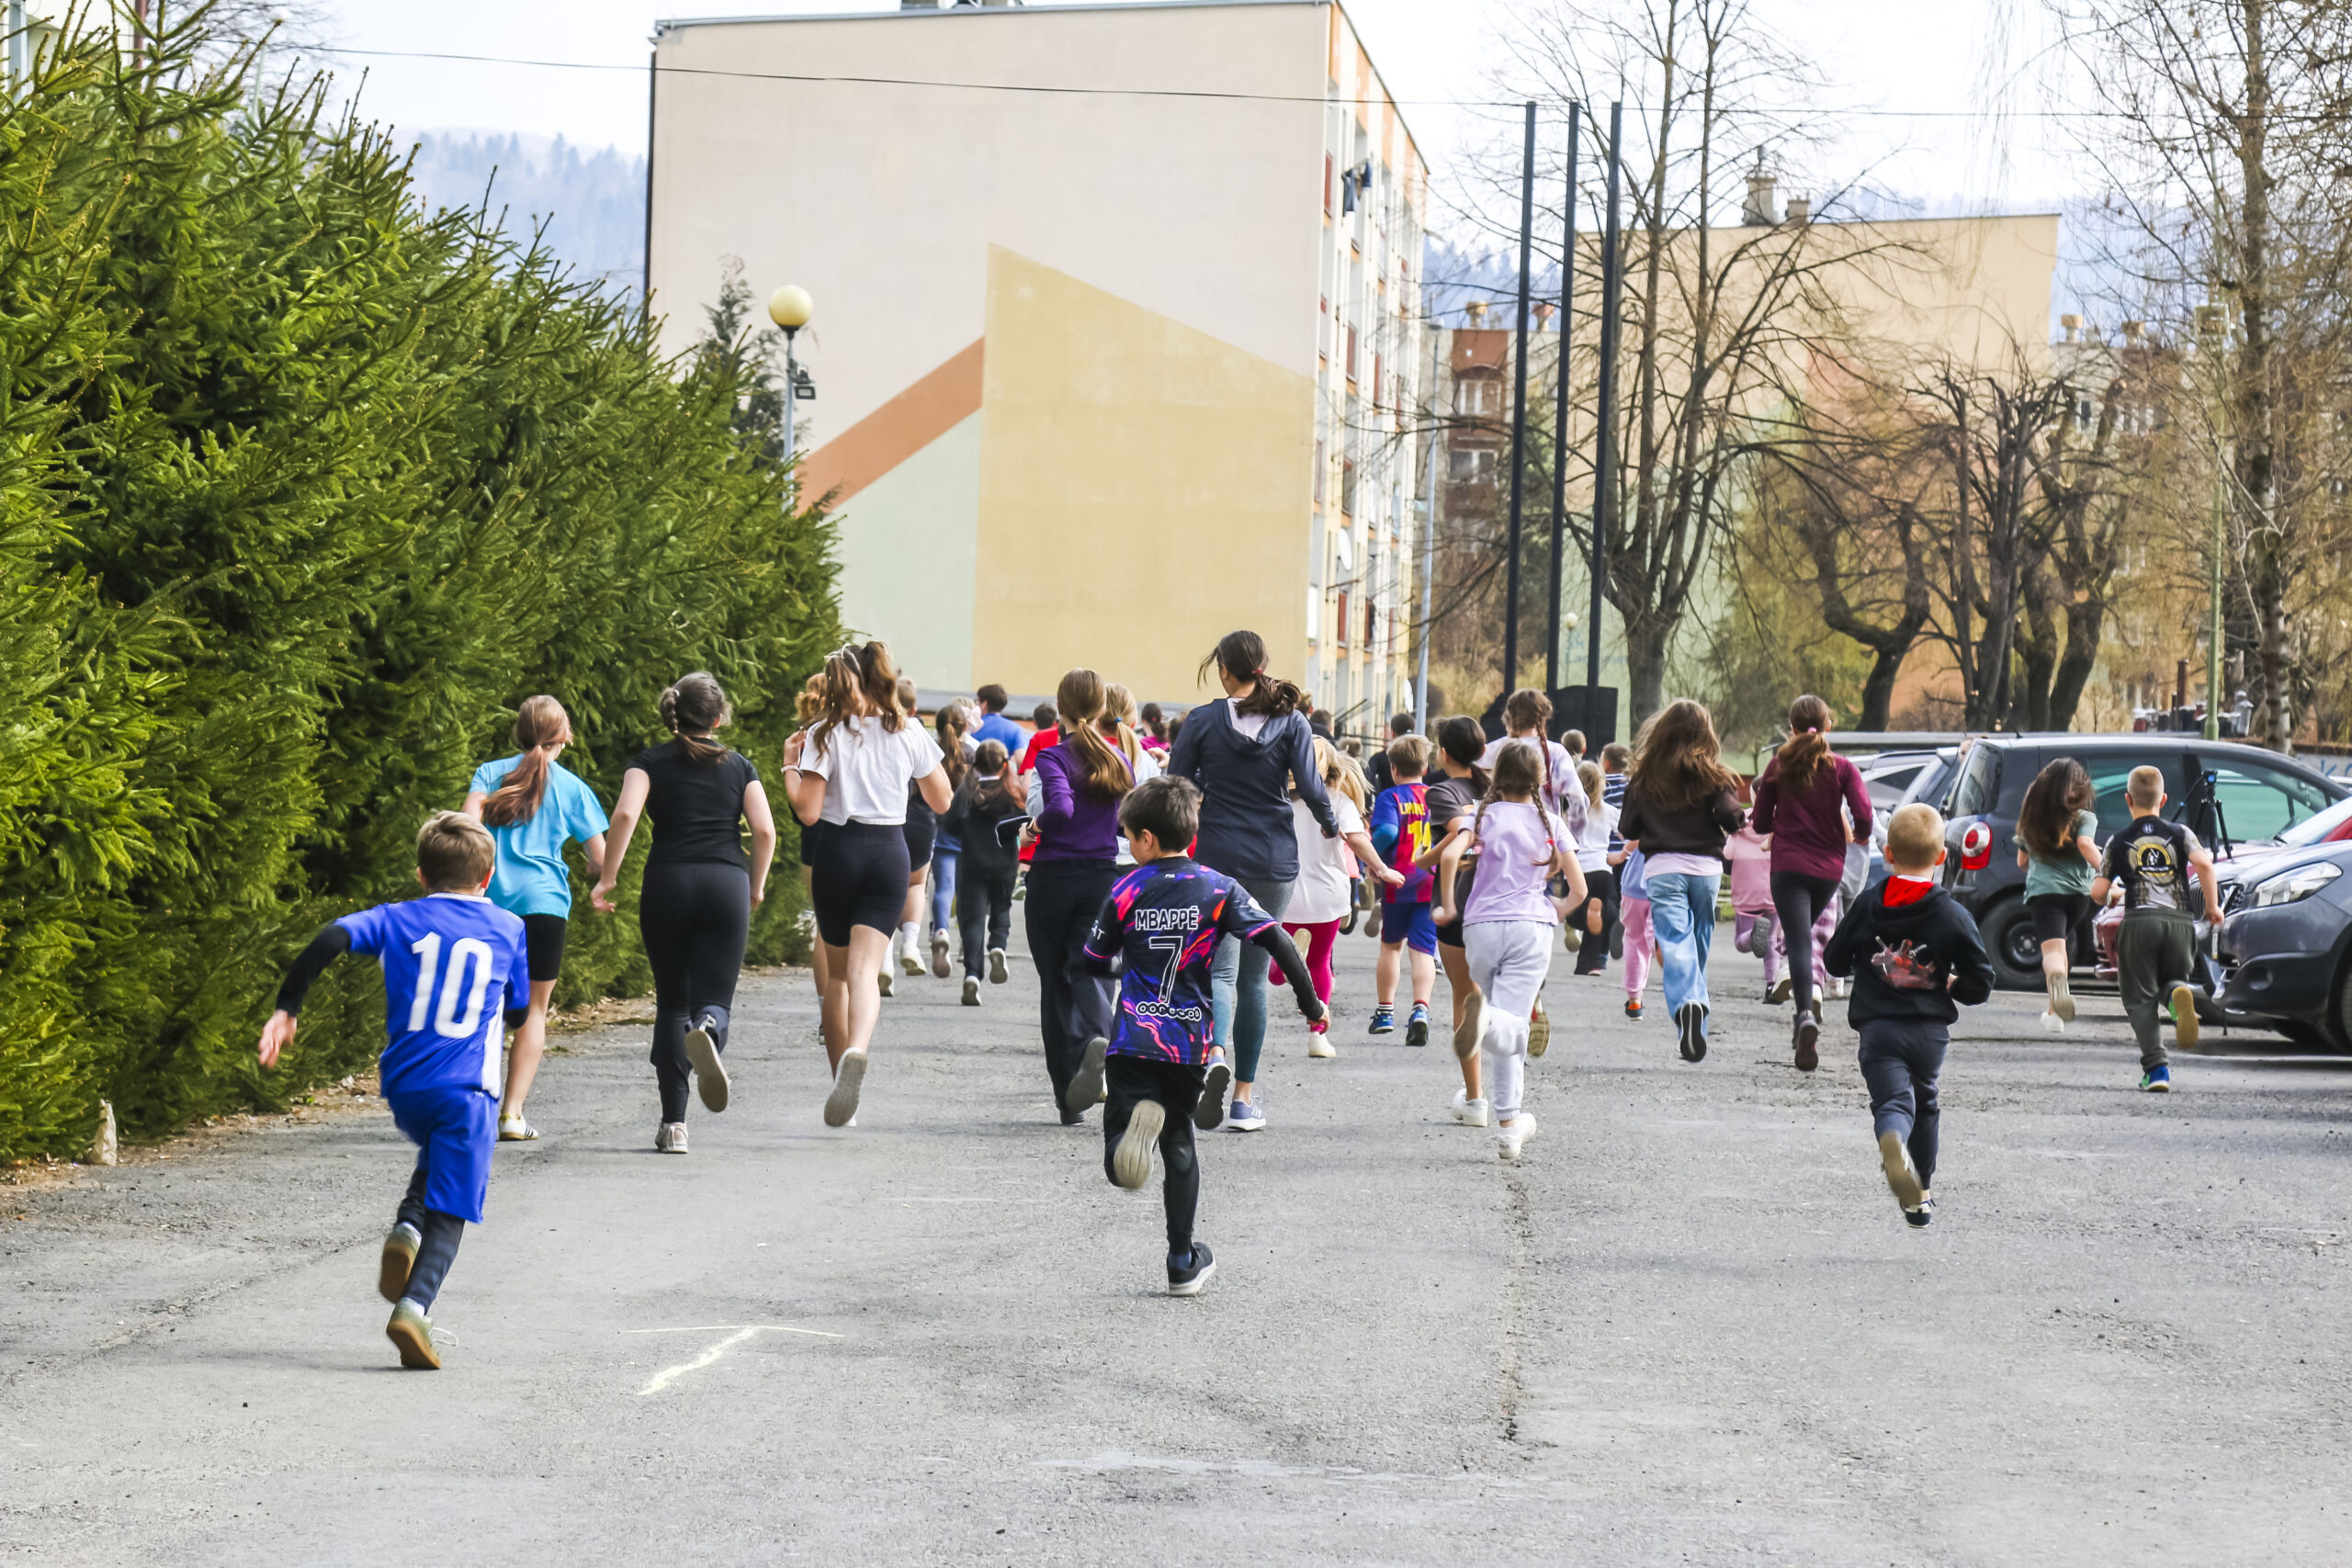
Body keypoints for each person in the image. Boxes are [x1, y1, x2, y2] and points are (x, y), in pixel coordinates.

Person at [258, 812, 527, 1368]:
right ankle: (415, 1308)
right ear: (487, 877)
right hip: (469, 1089)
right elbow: (521, 1010)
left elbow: (331, 937)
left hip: (406, 1087)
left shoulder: (395, 918)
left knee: (439, 1152)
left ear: (421, 875)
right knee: (452, 1208)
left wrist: (287, 1009)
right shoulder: (509, 927)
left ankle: (407, 1225)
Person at [1085, 777, 1326, 1296]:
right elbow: (1279, 941)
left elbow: (1094, 960)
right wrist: (1310, 1003)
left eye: (1128, 834)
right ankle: (1182, 1262)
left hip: (1132, 1037)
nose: (1126, 843)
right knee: (1180, 1145)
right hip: (1188, 1043)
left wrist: (1127, 964)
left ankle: (1124, 1148)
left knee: (1119, 1148)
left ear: (1147, 839)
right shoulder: (1219, 888)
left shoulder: (1126, 889)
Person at [592, 673, 776, 1153]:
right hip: (725, 883)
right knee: (714, 1000)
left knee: (672, 1004)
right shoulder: (740, 766)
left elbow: (626, 815)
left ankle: (674, 1125)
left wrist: (608, 877)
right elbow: (764, 831)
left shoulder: (648, 762)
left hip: (668, 882)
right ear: (718, 719)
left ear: (673, 715)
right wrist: (755, 886)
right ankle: (709, 1027)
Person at [1166, 630, 1339, 1134]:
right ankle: (1243, 1099)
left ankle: (1215, 1054)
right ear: (1263, 664)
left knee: (1219, 971)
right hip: (1273, 859)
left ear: (1223, 670)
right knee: (1254, 978)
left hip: (1217, 857)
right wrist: (1330, 824)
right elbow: (1311, 786)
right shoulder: (1292, 721)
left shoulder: (1201, 721)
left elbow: (1178, 784)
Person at [779, 643, 951, 1128]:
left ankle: (841, 1076)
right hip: (889, 852)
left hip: (839, 851)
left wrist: (790, 766)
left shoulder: (823, 733)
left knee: (836, 978)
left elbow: (808, 811)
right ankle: (859, 1046)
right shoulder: (909, 730)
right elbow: (942, 800)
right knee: (865, 972)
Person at [1823, 803, 1995, 1227]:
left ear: (1888, 853)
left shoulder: (1868, 904)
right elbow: (1981, 980)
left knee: (1894, 1102)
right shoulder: (1953, 914)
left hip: (1879, 1028)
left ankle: (1892, 1141)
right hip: (1929, 1033)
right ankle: (1920, 1196)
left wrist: (1862, 962)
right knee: (1925, 1102)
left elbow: (1834, 960)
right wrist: (1954, 985)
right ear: (1942, 857)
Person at [459, 695, 608, 1142]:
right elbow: (602, 859)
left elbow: (466, 826)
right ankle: (511, 1115)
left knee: (482, 1007)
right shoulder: (573, 788)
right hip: (545, 907)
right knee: (534, 1012)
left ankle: (471, 1110)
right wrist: (596, 876)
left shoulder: (490, 774)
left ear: (520, 732)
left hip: (490, 907)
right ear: (564, 737)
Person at [1434, 742, 1586, 1160]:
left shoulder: (1480, 817)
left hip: (1480, 928)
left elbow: (1449, 856)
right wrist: (1558, 910)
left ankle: (1509, 1128)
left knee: (1506, 1020)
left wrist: (1447, 905)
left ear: (1495, 775)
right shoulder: (1551, 821)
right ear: (1541, 779)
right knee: (1511, 1022)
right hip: (1530, 929)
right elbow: (1580, 889)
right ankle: (1505, 1112)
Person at [1026, 668, 1136, 1123]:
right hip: (1101, 878)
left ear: (1060, 709)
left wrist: (1036, 826)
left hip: (1053, 878)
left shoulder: (1053, 756)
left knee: (1054, 984)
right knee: (1089, 967)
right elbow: (1125, 822)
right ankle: (1099, 1035)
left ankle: (1067, 1099)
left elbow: (1061, 806)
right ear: (1102, 708)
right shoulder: (1118, 759)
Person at [1748, 695, 1874, 1073]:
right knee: (1803, 937)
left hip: (1787, 867)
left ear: (1791, 728)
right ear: (1829, 726)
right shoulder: (1842, 768)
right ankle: (1806, 1007)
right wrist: (1862, 834)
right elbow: (1864, 812)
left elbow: (1759, 822)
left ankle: (1805, 1014)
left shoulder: (1778, 765)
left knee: (1799, 941)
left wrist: (1779, 822)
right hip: (1827, 871)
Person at [1617, 699, 1745, 1064]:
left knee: (1675, 941)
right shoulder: (1715, 775)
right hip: (1706, 872)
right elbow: (1732, 817)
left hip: (1663, 870)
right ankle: (1695, 1016)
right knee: (1698, 943)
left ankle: (1688, 1005)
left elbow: (1628, 828)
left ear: (1662, 733)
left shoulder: (1646, 777)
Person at [2091, 765, 2222, 1091]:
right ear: (2163, 800)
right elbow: (2204, 865)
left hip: (2140, 922)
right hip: (2180, 922)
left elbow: (2097, 892)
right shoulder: (2182, 833)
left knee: (2140, 997)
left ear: (2127, 800)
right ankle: (2178, 997)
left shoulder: (2118, 841)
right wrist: (2212, 907)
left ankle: (2157, 1070)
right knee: (2170, 980)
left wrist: (2110, 895)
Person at [1272, 739, 1404, 1055]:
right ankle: (1317, 1036)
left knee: (1277, 962)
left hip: (1285, 892)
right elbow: (1357, 840)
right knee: (1320, 962)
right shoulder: (1338, 800)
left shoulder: (1276, 798)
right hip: (1327, 894)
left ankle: (1284, 967)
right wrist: (1382, 869)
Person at [1418, 716, 1492, 1123]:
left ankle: (1476, 1099)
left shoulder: (1442, 791)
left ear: (1443, 753)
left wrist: (1423, 860)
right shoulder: (1495, 788)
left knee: (1464, 995)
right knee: (1497, 988)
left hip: (1459, 898)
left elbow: (1459, 832)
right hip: (1500, 897)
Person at [2013, 757, 2101, 1032]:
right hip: (2078, 895)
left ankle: (2058, 986)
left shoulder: (2032, 820)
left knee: (2052, 951)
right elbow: (2085, 843)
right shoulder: (2085, 818)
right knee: (2061, 948)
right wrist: (2107, 870)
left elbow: (2021, 861)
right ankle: (2054, 1015)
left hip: (2044, 892)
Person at [941, 739, 1026, 1005]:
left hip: (972, 865)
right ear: (1004, 765)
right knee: (1001, 909)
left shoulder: (967, 792)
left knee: (972, 920)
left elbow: (949, 825)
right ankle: (998, 946)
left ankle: (972, 975)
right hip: (1005, 865)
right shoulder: (1011, 793)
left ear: (975, 764)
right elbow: (1023, 822)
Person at [1367, 735, 1438, 1043]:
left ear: (1393, 768)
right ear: (1425, 767)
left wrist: (1372, 858)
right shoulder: (1438, 796)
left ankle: (1385, 1011)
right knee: (1423, 950)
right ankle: (1420, 1009)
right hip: (1432, 884)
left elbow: (1386, 831)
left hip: (1398, 881)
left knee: (1391, 946)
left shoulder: (1390, 797)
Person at [890, 677, 939, 986]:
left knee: (882, 888)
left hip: (886, 821)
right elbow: (941, 795)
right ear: (914, 708)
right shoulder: (919, 735)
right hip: (920, 820)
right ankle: (910, 943)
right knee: (916, 885)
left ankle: (884, 960)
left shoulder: (873, 733)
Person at [925, 701, 976, 979]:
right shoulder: (972, 753)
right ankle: (968, 942)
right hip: (967, 832)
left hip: (940, 828)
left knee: (943, 888)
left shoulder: (931, 752)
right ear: (964, 726)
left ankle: (941, 930)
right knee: (967, 891)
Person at [1568, 760, 1619, 976]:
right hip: (1603, 870)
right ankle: (1594, 963)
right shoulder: (1608, 811)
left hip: (1577, 871)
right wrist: (1623, 854)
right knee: (1609, 913)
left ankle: (1588, 908)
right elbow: (1628, 835)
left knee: (1575, 914)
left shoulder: (1569, 812)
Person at [1618, 843, 1655, 1018]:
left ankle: (1634, 1001)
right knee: (1661, 938)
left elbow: (1633, 838)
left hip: (1635, 882)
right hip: (1668, 883)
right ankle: (1684, 996)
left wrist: (1622, 853)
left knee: (1635, 940)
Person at [1365, 712, 1413, 795]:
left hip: (1387, 801)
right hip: (1416, 803)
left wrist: (1378, 795)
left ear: (1392, 733)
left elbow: (1367, 780)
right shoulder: (1421, 758)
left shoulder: (1379, 758)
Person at [972, 683, 1026, 755]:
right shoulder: (1015, 728)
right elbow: (1020, 757)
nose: (976, 704)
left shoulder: (973, 726)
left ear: (984, 704)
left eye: (978, 701)